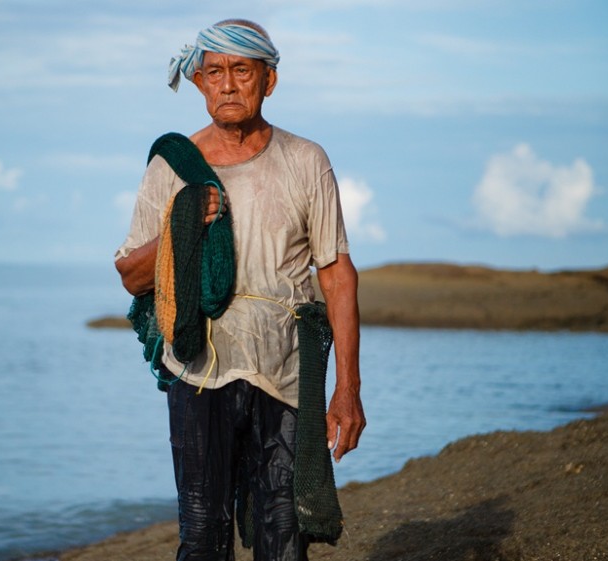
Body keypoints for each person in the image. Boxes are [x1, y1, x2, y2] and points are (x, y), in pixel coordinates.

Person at [115, 19, 365, 561]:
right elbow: (131, 275)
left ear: (268, 81)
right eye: (214, 73)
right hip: (200, 369)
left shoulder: (306, 160)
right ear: (200, 83)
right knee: (203, 531)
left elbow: (337, 274)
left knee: (283, 531)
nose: (227, 84)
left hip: (287, 371)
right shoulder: (174, 165)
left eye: (241, 71)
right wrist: (181, 229)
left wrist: (348, 388)